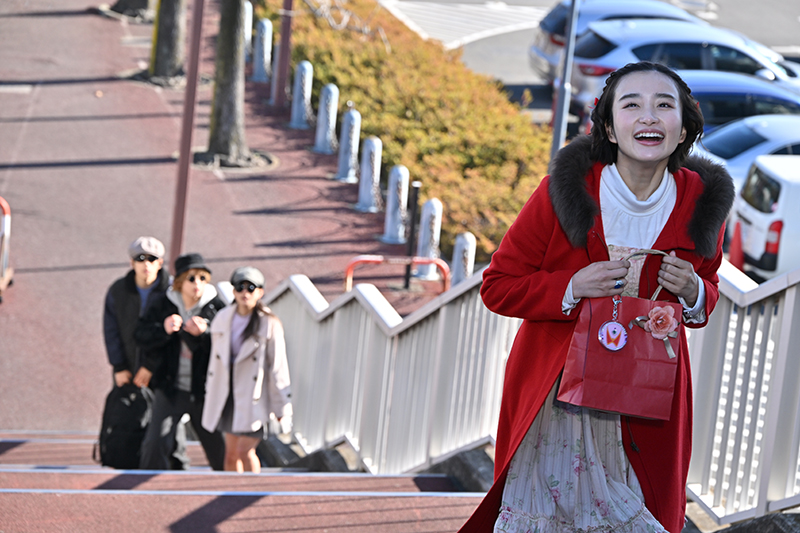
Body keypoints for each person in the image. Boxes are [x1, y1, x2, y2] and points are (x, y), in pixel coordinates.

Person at [459, 62, 734, 533]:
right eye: (632, 105)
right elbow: (497, 285)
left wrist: (693, 292)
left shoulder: (702, 203)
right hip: (559, 397)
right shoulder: (560, 194)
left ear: (684, 126)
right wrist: (571, 287)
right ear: (608, 126)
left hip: (646, 402)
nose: (649, 117)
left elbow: (706, 291)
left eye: (664, 105)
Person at [134, 253, 226, 471]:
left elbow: (231, 344)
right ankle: (146, 494)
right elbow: (140, 335)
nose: (197, 284)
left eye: (202, 278)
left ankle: (230, 492)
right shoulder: (163, 304)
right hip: (170, 387)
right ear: (179, 282)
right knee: (154, 443)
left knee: (219, 448)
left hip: (204, 391)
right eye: (191, 278)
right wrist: (163, 329)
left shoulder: (216, 307)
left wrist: (207, 333)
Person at [202, 267, 292, 473]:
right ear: (233, 291)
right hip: (228, 393)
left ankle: (252, 492)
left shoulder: (268, 323)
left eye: (251, 288)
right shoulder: (223, 318)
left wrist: (282, 408)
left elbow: (277, 367)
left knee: (246, 451)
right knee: (230, 453)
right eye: (240, 287)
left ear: (260, 292)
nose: (245, 293)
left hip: (255, 396)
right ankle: (230, 495)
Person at [103, 236, 169, 387]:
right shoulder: (118, 291)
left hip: (160, 372)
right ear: (132, 263)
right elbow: (111, 330)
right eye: (140, 259)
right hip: (126, 369)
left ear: (160, 263)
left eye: (152, 259)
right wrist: (119, 366)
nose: (146, 264)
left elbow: (170, 336)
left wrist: (150, 366)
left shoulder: (171, 292)